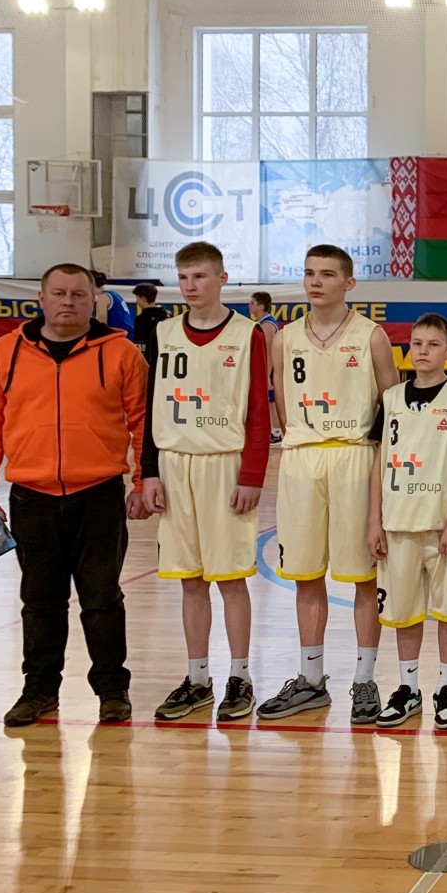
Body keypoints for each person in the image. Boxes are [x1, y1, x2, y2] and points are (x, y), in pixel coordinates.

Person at [0, 264, 147, 727]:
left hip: (99, 496)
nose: (68, 302)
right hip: (31, 498)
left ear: (93, 301)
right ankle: (40, 691)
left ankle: (112, 691)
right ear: (41, 299)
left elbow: (144, 423)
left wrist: (143, 481)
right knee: (40, 601)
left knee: (102, 599)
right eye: (59, 293)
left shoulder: (122, 354)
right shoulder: (4, 354)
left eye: (78, 295)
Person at [257, 245, 399, 724]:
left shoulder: (371, 336)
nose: (315, 282)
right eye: (309, 273)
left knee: (362, 575)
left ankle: (365, 679)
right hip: (301, 458)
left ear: (349, 283)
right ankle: (311, 679)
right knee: (305, 572)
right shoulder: (284, 338)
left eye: (327, 274)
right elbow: (280, 402)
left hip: (354, 456)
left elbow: (393, 407)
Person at [143, 243, 271, 723]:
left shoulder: (247, 334)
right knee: (190, 580)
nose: (190, 286)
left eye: (199, 276)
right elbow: (151, 406)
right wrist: (148, 471)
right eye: (183, 277)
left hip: (223, 464)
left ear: (222, 279)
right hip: (174, 464)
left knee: (231, 578)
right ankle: (198, 679)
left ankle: (240, 676)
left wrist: (252, 475)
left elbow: (258, 409)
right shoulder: (163, 332)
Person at [368, 314, 447, 730]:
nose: (423, 351)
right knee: (405, 612)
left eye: (433, 344)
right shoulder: (391, 398)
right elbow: (379, 462)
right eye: (417, 343)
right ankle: (408, 688)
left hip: (442, 528)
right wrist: (374, 520)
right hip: (398, 523)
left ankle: (446, 688)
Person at [249, 290, 286, 443]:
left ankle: (276, 432)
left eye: (252, 303)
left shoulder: (267, 325)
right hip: (265, 368)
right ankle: (271, 431)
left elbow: (269, 352)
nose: (249, 305)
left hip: (269, 369)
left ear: (261, 306)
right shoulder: (262, 323)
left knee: (271, 401)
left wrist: (267, 375)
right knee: (266, 401)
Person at [132, 283, 170, 361]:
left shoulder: (141, 319)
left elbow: (140, 345)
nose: (136, 301)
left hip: (149, 361)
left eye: (137, 298)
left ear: (143, 299)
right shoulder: (168, 315)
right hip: (166, 358)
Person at [94, 271, 135, 342]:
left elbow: (101, 325)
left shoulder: (102, 297)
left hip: (121, 337)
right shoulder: (113, 293)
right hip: (129, 336)